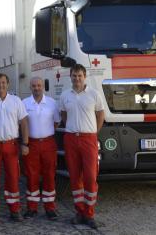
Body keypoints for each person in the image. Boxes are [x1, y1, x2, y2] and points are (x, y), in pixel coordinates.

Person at [59, 64, 105, 229]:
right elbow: (63, 114)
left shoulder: (94, 94)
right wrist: (70, 127)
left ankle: (89, 213)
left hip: (89, 139)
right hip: (71, 138)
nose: (76, 78)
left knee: (90, 177)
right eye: (74, 75)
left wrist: (94, 132)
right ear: (70, 76)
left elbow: (101, 114)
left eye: (79, 75)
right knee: (75, 177)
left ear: (84, 77)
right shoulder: (65, 95)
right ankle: (79, 212)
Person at [0, 73, 29, 221]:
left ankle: (14, 210)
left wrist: (25, 143)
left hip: (11, 145)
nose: (0, 85)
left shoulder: (16, 101)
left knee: (13, 177)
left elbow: (23, 123)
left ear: (8, 84)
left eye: (3, 82)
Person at [21, 77, 60, 220]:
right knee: (32, 175)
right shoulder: (24, 103)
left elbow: (56, 122)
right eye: (33, 85)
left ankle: (50, 208)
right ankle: (32, 208)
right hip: (31, 143)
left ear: (43, 86)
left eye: (39, 85)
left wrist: (45, 133)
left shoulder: (51, 103)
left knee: (49, 175)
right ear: (30, 87)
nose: (36, 88)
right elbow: (22, 124)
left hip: (48, 143)